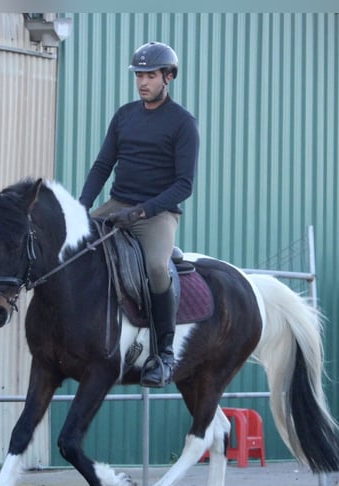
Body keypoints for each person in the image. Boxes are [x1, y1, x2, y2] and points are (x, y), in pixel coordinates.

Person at [79, 41, 200, 388]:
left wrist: (142, 211)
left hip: (157, 213)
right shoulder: (124, 115)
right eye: (139, 76)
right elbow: (103, 164)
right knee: (75, 245)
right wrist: (82, 206)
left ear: (168, 76)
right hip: (117, 203)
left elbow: (184, 186)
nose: (143, 82)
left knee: (157, 268)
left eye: (150, 75)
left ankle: (163, 354)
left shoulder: (183, 123)